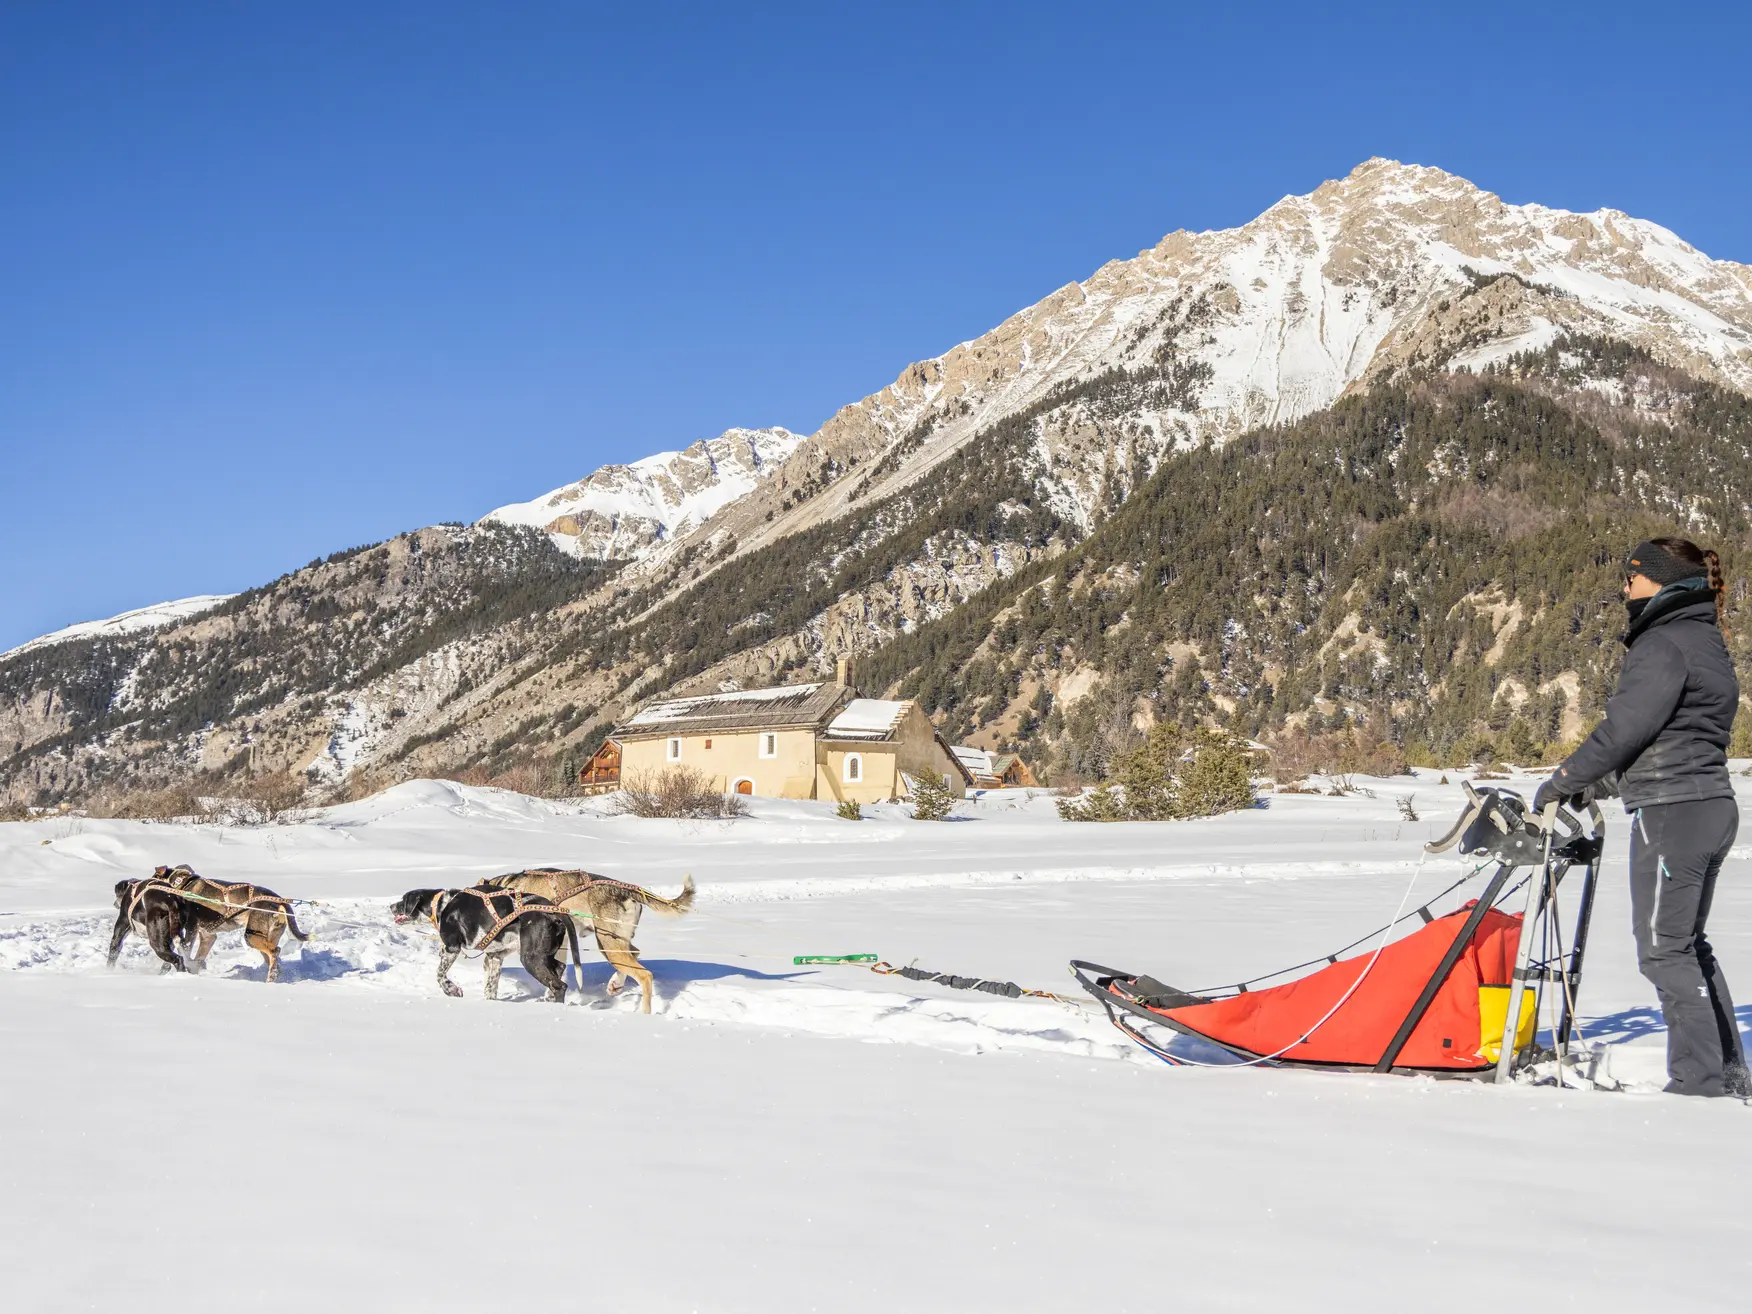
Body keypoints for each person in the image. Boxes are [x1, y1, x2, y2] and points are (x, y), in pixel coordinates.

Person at [1534, 537, 1747, 1097]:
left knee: (1663, 949)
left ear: (1658, 579)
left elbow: (1625, 729)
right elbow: (1673, 733)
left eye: (1631, 577)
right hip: (1707, 804)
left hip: (1674, 811)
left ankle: (1699, 1085)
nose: (1624, 588)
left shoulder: (1665, 643)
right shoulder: (1703, 639)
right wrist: (1602, 783)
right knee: (1686, 944)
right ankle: (1726, 1073)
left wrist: (1564, 781)